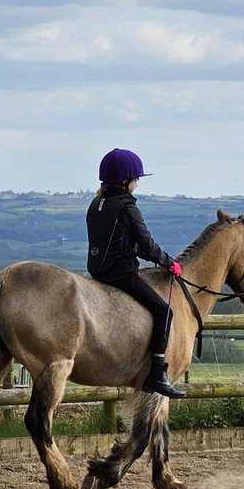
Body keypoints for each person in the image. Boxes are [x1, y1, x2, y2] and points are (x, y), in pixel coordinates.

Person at [86, 148, 187, 398]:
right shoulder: (127, 207)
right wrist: (169, 263)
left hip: (98, 271)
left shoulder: (97, 204)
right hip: (121, 274)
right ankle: (157, 372)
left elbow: (123, 242)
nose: (137, 183)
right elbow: (147, 245)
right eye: (135, 179)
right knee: (164, 311)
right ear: (124, 181)